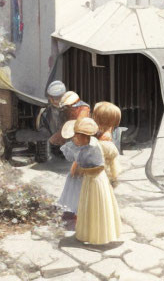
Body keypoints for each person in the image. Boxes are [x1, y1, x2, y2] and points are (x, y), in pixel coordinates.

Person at [61, 117, 122, 245]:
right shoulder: (83, 146)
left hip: (96, 180)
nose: (75, 139)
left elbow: (96, 165)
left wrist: (82, 169)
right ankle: (88, 233)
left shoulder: (93, 147)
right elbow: (75, 157)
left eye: (77, 137)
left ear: (85, 136)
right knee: (87, 206)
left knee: (97, 205)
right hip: (88, 180)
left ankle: (100, 234)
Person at [15, 80, 67, 161]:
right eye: (53, 97)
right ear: (50, 97)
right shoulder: (45, 113)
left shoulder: (68, 109)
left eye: (57, 97)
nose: (55, 100)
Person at [92, 102, 121, 186]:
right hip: (107, 152)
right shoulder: (106, 130)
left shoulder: (104, 135)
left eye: (94, 115)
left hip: (104, 152)